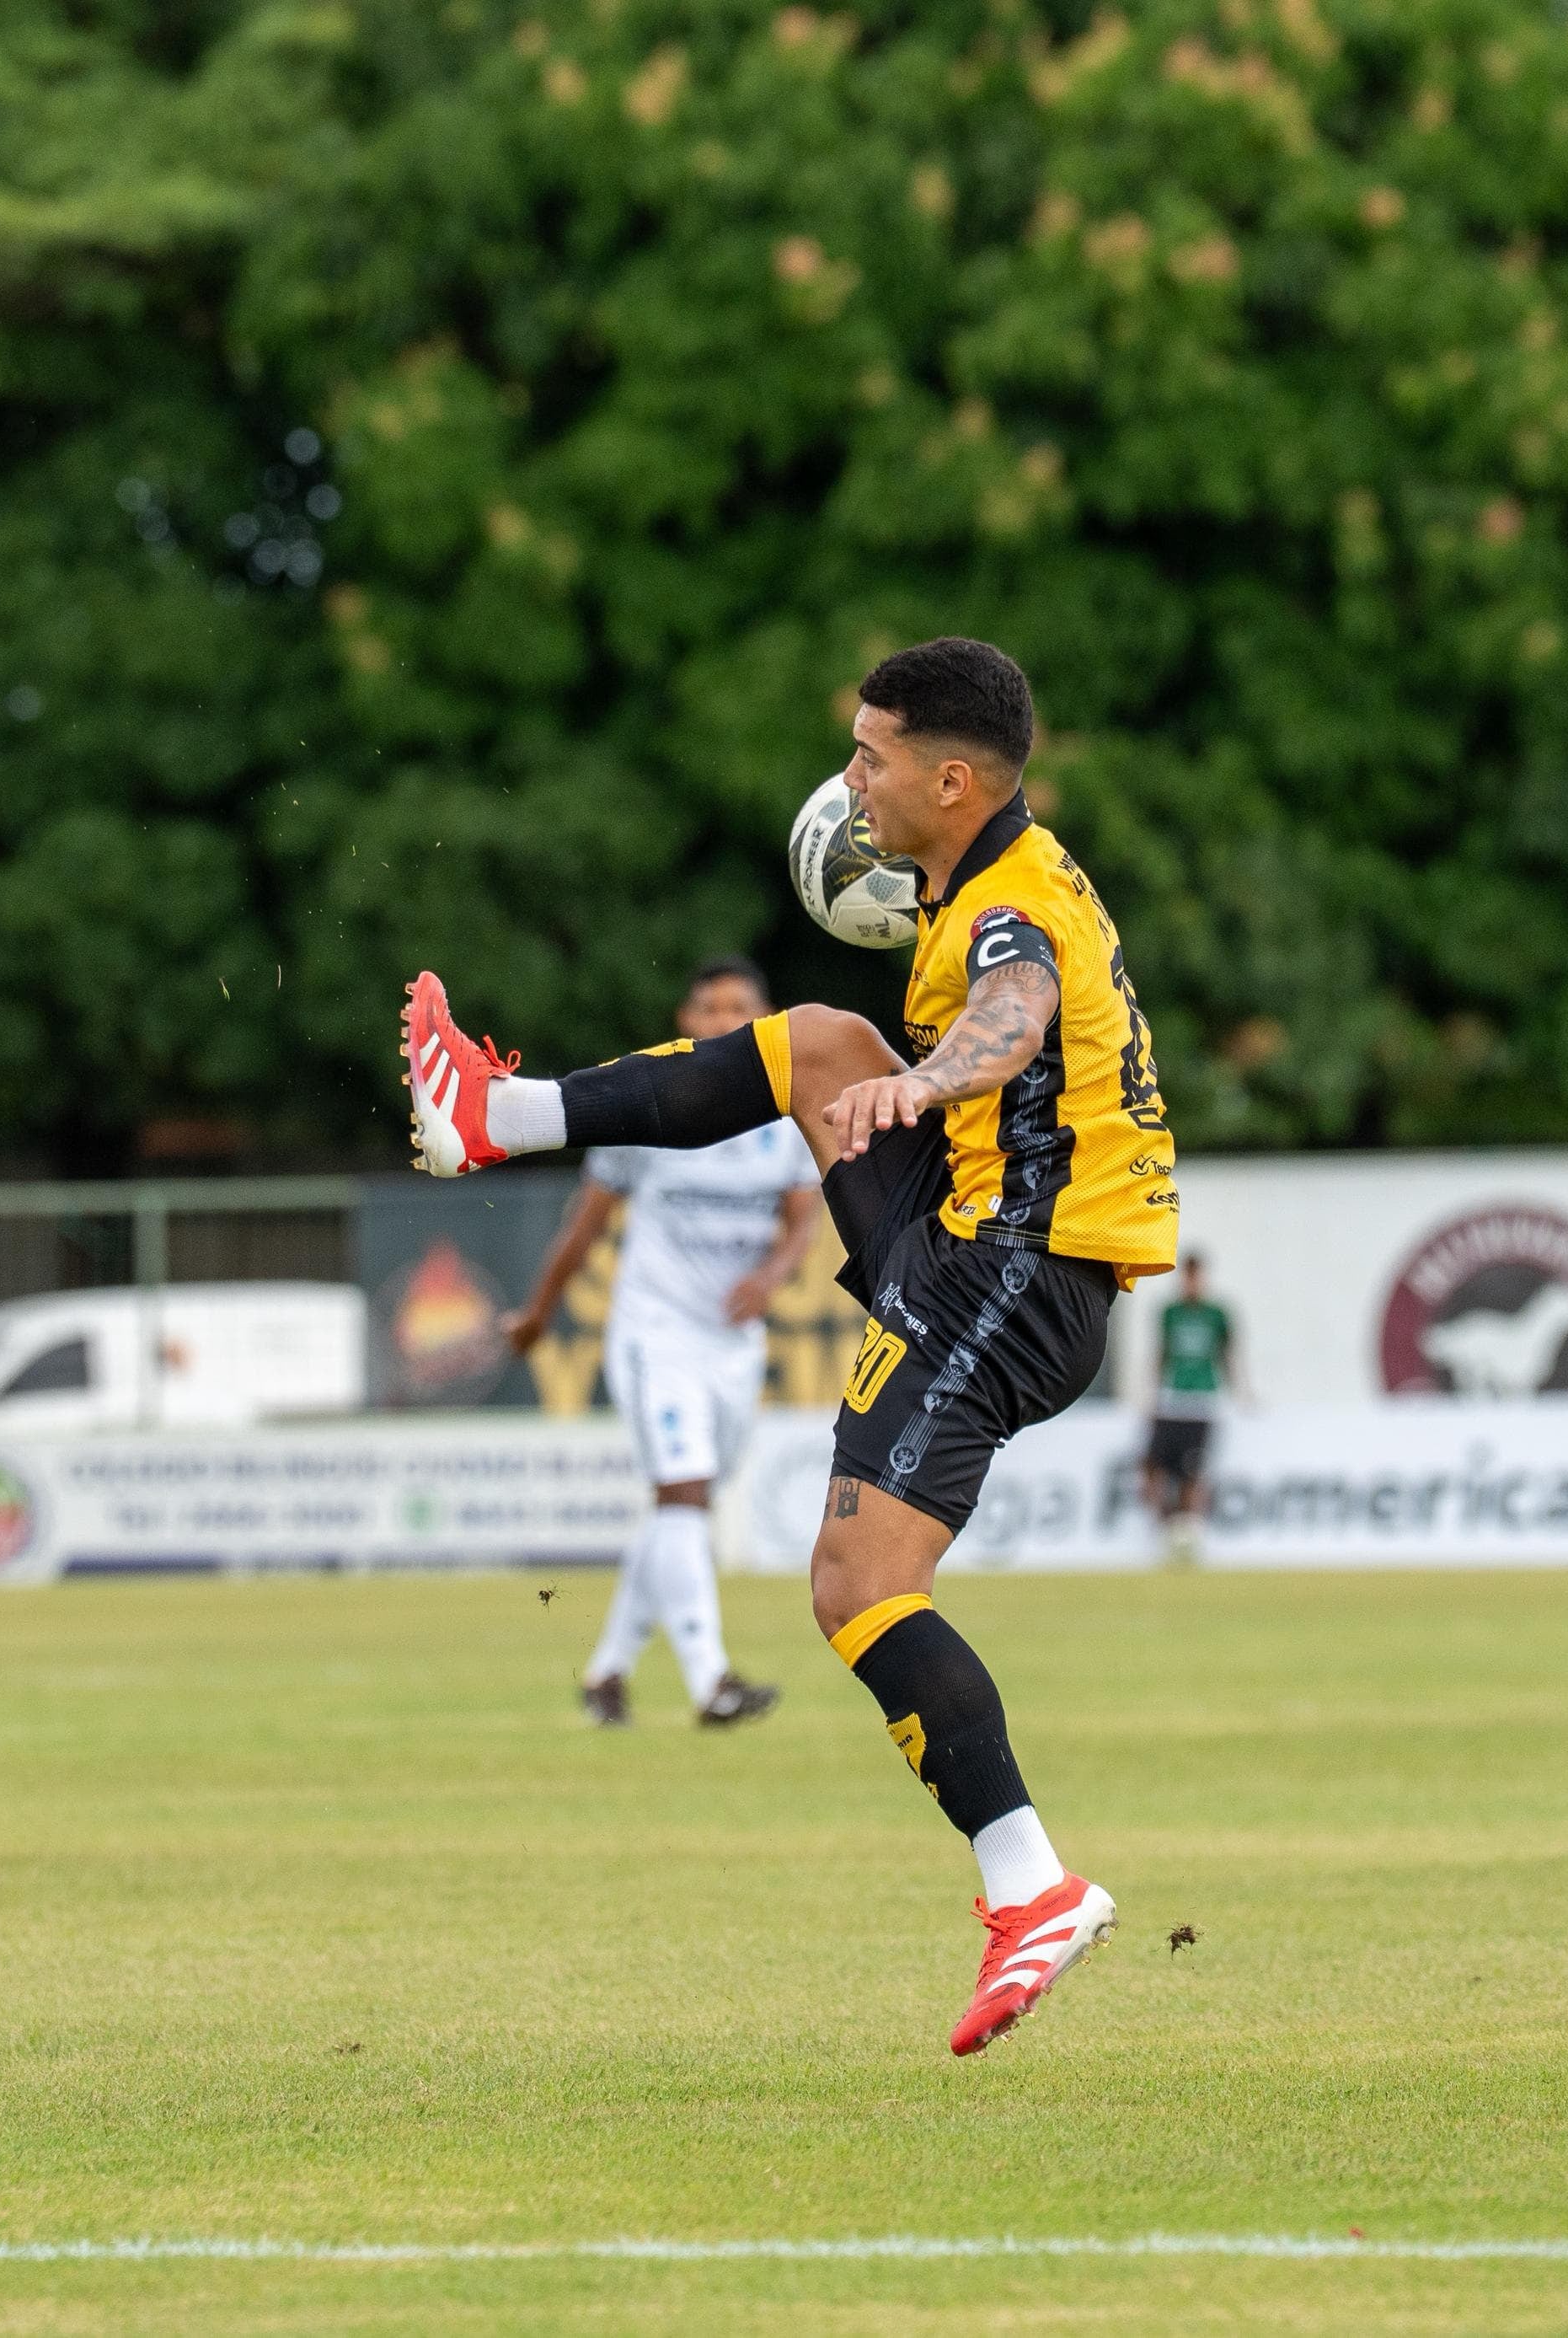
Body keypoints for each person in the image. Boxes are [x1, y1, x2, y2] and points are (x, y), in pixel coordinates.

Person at [403, 636, 1176, 2056]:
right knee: (821, 1042)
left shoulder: (1006, 913)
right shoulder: (996, 878)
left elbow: (1009, 1019)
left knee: (856, 1584)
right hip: (981, 1247)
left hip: (1013, 1270)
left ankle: (1036, 1888)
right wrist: (912, 1085)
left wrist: (935, 1078)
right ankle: (496, 1117)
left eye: (873, 754)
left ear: (953, 779)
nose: (851, 778)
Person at [501, 956, 816, 1729]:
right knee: (681, 1493)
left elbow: (804, 1215)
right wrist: (538, 1313)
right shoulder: (649, 1106)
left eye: (739, 1005)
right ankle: (713, 1683)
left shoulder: (785, 1116)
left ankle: (606, 1674)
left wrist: (772, 1276)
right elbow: (587, 1222)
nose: (723, 1020)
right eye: (709, 1007)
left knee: (684, 1505)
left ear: (765, 1018)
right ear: (686, 1021)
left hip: (732, 1344)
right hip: (656, 1331)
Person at [1137, 1253, 1241, 1559]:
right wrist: (1150, 1393)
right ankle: (1165, 1531)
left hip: (1202, 1403)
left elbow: (1227, 1356)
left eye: (1196, 1276)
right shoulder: (1170, 1312)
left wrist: (1240, 1394)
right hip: (1172, 1401)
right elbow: (1162, 1354)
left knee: (1193, 1475)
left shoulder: (1217, 1313)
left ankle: (1190, 1537)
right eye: (1188, 1276)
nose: (1192, 1282)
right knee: (1152, 1469)